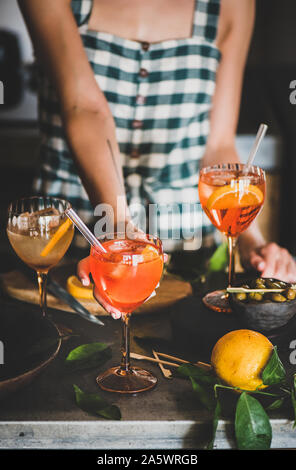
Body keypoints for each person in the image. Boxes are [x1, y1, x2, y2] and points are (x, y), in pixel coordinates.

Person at [19, 0, 296, 317]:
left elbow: (218, 146)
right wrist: (119, 227)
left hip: (189, 256)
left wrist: (248, 237)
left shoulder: (233, 4)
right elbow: (83, 107)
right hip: (68, 245)